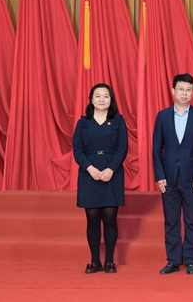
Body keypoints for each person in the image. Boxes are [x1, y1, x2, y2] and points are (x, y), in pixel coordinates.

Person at [152, 73, 193, 275]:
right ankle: (173, 261)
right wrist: (159, 176)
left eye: (188, 90)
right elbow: (156, 148)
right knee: (171, 221)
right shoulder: (162, 116)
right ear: (173, 91)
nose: (184, 93)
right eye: (181, 89)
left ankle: (191, 260)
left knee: (192, 221)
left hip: (192, 178)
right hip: (168, 178)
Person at [72, 83, 128, 274]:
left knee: (110, 218)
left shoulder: (118, 121)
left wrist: (111, 169)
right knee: (93, 218)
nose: (102, 99)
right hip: (89, 173)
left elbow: (122, 148)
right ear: (91, 99)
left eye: (106, 96)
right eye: (98, 96)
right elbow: (77, 150)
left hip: (113, 172)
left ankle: (110, 261)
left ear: (111, 100)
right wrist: (90, 168)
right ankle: (95, 261)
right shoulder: (83, 123)